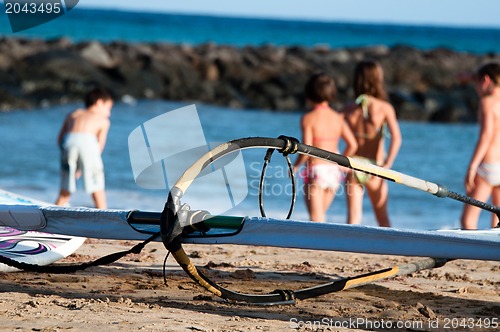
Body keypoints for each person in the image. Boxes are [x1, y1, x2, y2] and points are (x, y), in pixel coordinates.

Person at [343, 60, 402, 227]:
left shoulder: (348, 108)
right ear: (378, 80)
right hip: (376, 167)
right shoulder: (384, 107)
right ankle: (390, 249)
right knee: (382, 217)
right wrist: (387, 164)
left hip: (353, 165)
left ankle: (350, 250)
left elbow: (332, 129)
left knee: (353, 218)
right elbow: (397, 138)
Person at [293, 72, 358, 222]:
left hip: (316, 170)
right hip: (334, 173)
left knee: (316, 218)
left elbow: (306, 148)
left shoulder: (308, 118)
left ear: (309, 94)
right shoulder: (338, 118)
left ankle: (317, 244)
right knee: (320, 215)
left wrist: (295, 166)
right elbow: (352, 144)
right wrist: (341, 164)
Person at [55, 88, 113, 209]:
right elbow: (99, 146)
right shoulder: (103, 120)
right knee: (97, 188)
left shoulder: (73, 114)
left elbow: (60, 139)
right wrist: (88, 162)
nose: (109, 113)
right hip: (88, 145)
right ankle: (104, 216)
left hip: (68, 144)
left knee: (66, 188)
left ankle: (52, 214)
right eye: (108, 109)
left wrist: (73, 163)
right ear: (99, 103)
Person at [461, 63, 500, 229]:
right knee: (498, 220)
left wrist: (472, 166)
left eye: (476, 83)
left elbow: (486, 136)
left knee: (468, 219)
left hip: (487, 167)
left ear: (485, 80)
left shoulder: (487, 102)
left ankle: (469, 254)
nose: (476, 88)